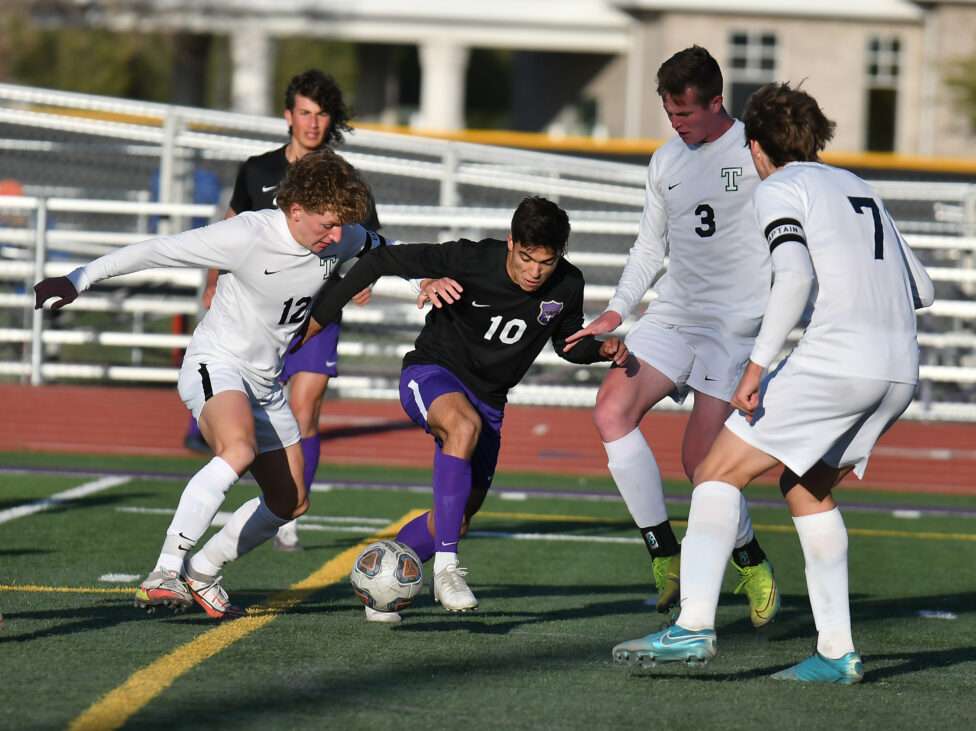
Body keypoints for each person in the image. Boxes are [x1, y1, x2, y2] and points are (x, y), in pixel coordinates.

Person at [611, 82, 934, 683]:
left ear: (755, 146)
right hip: (899, 371)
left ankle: (693, 626)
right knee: (805, 487)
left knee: (714, 472)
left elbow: (792, 276)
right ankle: (837, 652)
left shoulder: (780, 186)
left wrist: (756, 367)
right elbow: (925, 290)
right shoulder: (860, 188)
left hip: (838, 363)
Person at [34, 149, 385, 619]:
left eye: (341, 226)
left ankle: (202, 570)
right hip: (216, 363)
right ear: (294, 210)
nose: (337, 236)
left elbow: (385, 250)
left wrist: (420, 278)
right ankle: (164, 571)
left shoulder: (339, 235)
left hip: (267, 383)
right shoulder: (247, 234)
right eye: (327, 225)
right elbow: (157, 250)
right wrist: (80, 278)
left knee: (291, 501)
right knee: (236, 451)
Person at [297, 196, 629, 623]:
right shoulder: (471, 258)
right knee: (462, 426)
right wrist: (316, 322)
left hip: (490, 402)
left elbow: (568, 342)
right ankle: (447, 570)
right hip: (432, 373)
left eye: (545, 263)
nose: (534, 272)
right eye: (526, 258)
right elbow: (380, 259)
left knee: (456, 519)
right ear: (511, 242)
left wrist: (601, 348)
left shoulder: (568, 283)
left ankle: (384, 576)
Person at [565, 46, 778, 626]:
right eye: (669, 113)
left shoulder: (758, 150)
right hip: (675, 313)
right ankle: (665, 555)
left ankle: (751, 558)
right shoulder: (664, 162)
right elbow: (649, 248)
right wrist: (615, 311)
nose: (676, 124)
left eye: (685, 113)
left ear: (717, 102)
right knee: (610, 412)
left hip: (734, 328)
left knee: (700, 463)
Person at [193, 68, 381, 552]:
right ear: (288, 116)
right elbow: (230, 229)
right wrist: (214, 283)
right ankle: (261, 502)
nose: (313, 123)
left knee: (305, 410)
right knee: (251, 420)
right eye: (304, 112)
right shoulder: (257, 170)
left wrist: (365, 278)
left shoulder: (343, 180)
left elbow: (368, 245)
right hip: (257, 322)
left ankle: (290, 513)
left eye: (322, 115)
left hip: (317, 317)